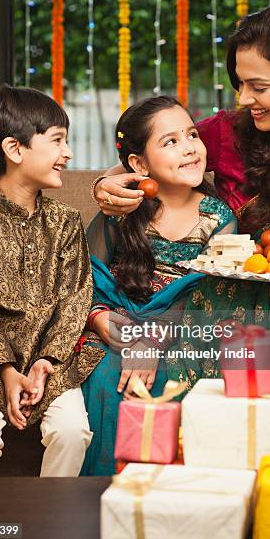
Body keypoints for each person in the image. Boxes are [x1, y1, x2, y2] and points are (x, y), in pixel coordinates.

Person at [91, 0, 270, 382]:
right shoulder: (226, 131)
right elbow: (152, 156)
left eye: (259, 86)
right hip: (215, 304)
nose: (244, 99)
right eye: (240, 83)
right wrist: (105, 183)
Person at [80, 95, 236, 475]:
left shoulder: (218, 218)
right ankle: (104, 495)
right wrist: (104, 321)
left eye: (192, 135)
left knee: (167, 374)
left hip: (184, 330)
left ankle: (164, 499)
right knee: (108, 372)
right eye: (170, 142)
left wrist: (151, 339)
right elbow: (88, 281)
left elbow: (210, 296)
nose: (189, 149)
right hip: (119, 326)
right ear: (138, 163)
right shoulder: (120, 213)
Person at [0, 85, 104, 477]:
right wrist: (6, 369)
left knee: (73, 431)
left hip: (48, 359)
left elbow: (75, 298)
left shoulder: (66, 221)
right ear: (15, 150)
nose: (66, 153)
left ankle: (51, 527)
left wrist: (45, 362)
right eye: (57, 140)